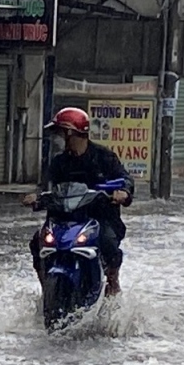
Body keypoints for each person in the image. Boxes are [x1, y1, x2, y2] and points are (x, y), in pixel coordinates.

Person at [23, 106, 133, 296]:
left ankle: (112, 283)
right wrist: (36, 198)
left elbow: (125, 179)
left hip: (98, 218)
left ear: (70, 133)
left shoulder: (104, 157)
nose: (58, 139)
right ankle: (46, 291)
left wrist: (123, 192)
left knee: (108, 241)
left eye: (60, 134)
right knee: (37, 242)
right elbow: (47, 188)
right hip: (65, 218)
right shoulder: (59, 162)